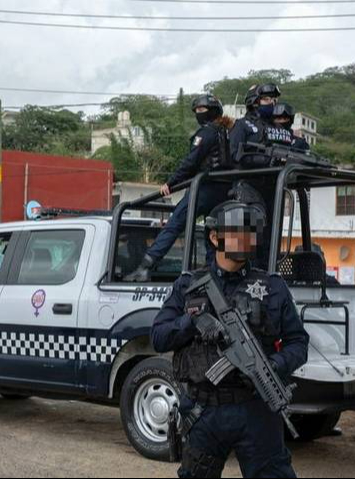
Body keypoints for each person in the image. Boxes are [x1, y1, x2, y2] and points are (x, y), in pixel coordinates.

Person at [151, 200, 309, 478]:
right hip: (204, 410)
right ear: (215, 237)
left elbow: (299, 343)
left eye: (249, 233)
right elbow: (159, 338)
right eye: (237, 232)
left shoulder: (272, 287)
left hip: (256, 409)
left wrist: (276, 365)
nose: (245, 239)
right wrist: (192, 322)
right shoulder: (189, 285)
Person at [125, 94, 234, 282]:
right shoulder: (226, 133)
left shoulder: (206, 133)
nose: (199, 113)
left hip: (204, 188)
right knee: (213, 233)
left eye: (202, 110)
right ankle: (213, 273)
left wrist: (171, 183)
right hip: (223, 192)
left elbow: (191, 162)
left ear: (212, 111)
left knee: (174, 224)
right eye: (197, 111)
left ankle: (145, 266)